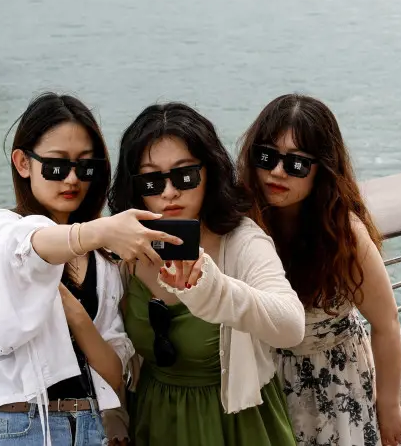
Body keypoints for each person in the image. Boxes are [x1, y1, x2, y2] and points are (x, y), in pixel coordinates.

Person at [0, 92, 181, 446]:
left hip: (88, 426)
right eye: (56, 166)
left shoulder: (103, 263)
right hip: (16, 422)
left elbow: (113, 372)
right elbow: (30, 244)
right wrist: (105, 230)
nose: (71, 180)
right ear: (23, 163)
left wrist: (75, 313)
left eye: (86, 167)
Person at [109, 102, 304, 446]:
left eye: (185, 175)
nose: (169, 192)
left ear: (209, 172)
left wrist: (213, 291)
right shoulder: (126, 253)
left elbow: (291, 325)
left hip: (236, 426)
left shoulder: (241, 241)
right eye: (152, 180)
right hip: (155, 420)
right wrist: (115, 419)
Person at [238, 94, 401, 446]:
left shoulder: (344, 234)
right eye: (267, 156)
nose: (277, 172)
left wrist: (389, 405)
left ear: (323, 168)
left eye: (296, 163)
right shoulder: (242, 221)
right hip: (264, 381)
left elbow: (386, 321)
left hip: (334, 380)